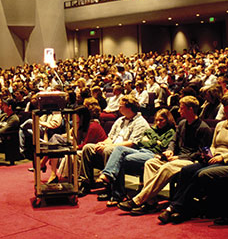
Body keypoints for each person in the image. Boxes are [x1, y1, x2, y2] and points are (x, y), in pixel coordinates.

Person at [118, 95, 212, 215]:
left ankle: (138, 200)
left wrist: (178, 157)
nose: (178, 111)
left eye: (181, 108)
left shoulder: (204, 128)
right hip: (175, 157)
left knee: (166, 167)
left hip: (190, 161)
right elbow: (173, 141)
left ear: (190, 109)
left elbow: (200, 153)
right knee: (150, 163)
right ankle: (151, 203)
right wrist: (170, 150)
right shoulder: (182, 123)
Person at [158, 94, 228, 224]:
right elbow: (213, 145)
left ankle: (175, 208)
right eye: (225, 108)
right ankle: (185, 208)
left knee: (199, 174)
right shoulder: (221, 125)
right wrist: (210, 154)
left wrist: (222, 157)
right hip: (213, 159)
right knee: (186, 170)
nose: (225, 111)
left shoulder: (203, 127)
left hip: (224, 161)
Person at [96, 109, 176, 206]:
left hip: (153, 154)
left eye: (161, 120)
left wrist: (151, 141)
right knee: (119, 149)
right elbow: (142, 142)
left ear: (167, 120)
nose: (158, 123)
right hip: (140, 151)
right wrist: (156, 141)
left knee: (120, 159)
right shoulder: (150, 130)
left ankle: (117, 195)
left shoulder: (171, 132)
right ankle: (108, 174)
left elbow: (161, 147)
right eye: (157, 120)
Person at [79, 95, 149, 195]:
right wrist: (103, 143)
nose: (118, 107)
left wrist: (109, 146)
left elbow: (132, 143)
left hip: (128, 151)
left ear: (129, 107)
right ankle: (86, 183)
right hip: (112, 147)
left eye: (121, 106)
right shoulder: (120, 120)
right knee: (88, 147)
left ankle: (109, 187)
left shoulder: (140, 123)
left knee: (109, 151)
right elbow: (110, 138)